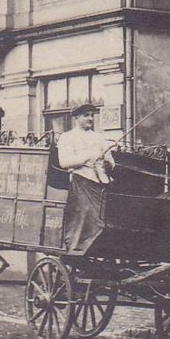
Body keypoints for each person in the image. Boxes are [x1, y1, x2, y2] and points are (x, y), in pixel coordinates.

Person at [55, 101, 118, 251]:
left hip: (101, 182)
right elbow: (64, 162)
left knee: (115, 213)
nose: (90, 118)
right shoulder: (67, 137)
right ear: (76, 117)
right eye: (86, 115)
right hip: (81, 182)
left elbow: (110, 162)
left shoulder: (98, 137)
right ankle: (79, 246)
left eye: (91, 115)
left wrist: (108, 162)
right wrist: (88, 156)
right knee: (92, 215)